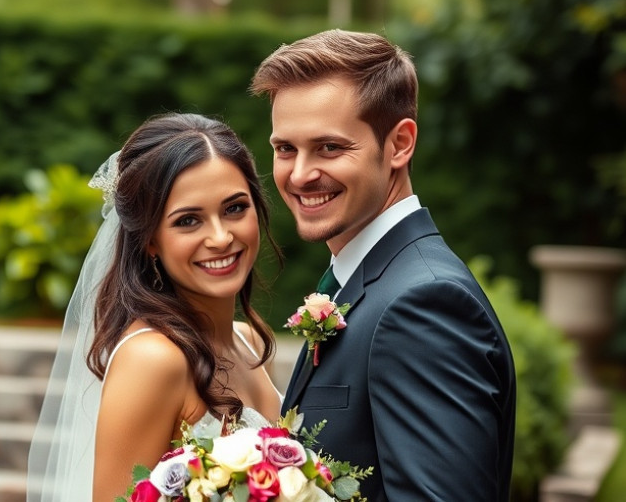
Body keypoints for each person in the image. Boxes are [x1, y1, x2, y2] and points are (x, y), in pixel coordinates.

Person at [250, 30, 516, 501]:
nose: (299, 174)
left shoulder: (424, 304)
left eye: (330, 147)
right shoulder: (369, 283)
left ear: (399, 144)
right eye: (285, 148)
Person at [26, 112, 284, 502]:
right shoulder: (153, 359)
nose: (220, 237)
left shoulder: (249, 341)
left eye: (234, 208)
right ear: (150, 240)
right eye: (188, 221)